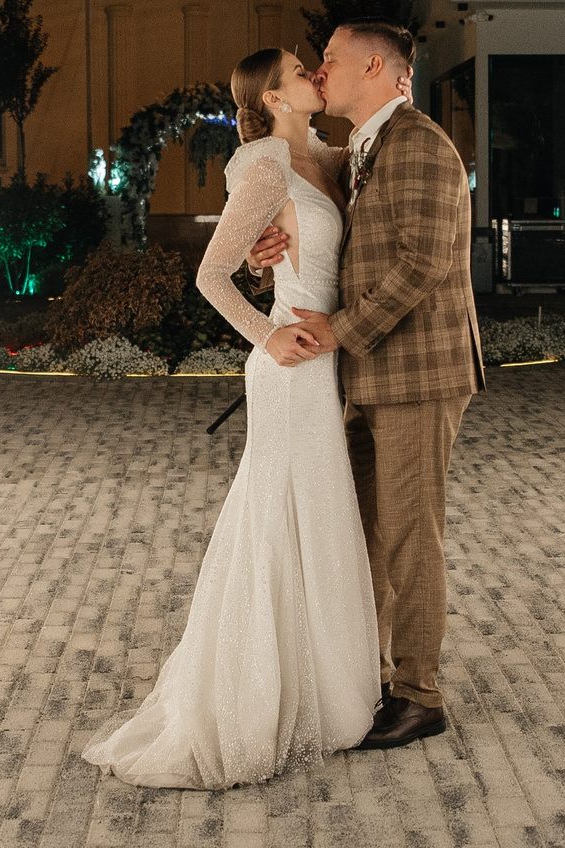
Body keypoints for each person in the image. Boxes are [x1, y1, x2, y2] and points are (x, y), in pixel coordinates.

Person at [81, 48, 382, 788]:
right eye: (301, 68)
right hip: (288, 367)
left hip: (323, 367)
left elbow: (368, 152)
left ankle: (325, 686)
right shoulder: (267, 168)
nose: (317, 71)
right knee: (276, 524)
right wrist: (268, 331)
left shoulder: (324, 157)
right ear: (275, 97)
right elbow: (210, 272)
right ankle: (250, 697)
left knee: (316, 517)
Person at [252, 21, 482, 751]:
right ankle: (367, 672)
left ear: (375, 66)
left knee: (411, 535)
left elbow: (420, 264)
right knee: (361, 532)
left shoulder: (418, 144)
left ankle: (419, 693)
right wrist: (274, 254)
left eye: (330, 59)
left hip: (416, 370)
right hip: (370, 372)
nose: (320, 72)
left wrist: (336, 331)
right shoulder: (358, 148)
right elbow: (331, 236)